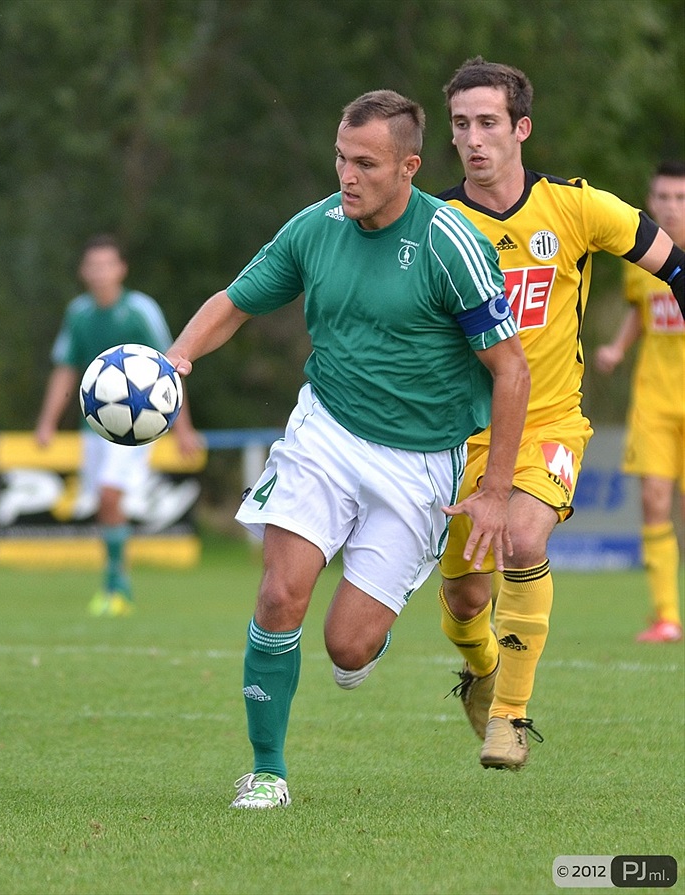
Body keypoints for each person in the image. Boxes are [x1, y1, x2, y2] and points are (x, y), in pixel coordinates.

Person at [166, 90, 530, 808]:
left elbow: (510, 369)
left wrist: (495, 492)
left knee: (347, 646)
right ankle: (266, 769)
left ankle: (371, 629)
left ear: (409, 167)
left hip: (421, 461)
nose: (347, 175)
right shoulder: (316, 228)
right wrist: (176, 359)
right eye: (340, 157)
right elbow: (235, 300)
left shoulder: (447, 242)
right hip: (324, 434)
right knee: (278, 594)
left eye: (366, 163)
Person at [435, 58, 685, 771]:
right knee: (462, 595)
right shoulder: (438, 224)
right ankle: (481, 667)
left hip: (549, 422)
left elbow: (676, 267)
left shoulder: (577, 208)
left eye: (488, 122)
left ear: (522, 129)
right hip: (463, 437)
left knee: (521, 537)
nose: (474, 139)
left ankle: (509, 719)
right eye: (460, 125)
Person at [35, 234, 201, 617]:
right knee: (103, 504)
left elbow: (169, 371)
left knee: (110, 495)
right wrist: (46, 423)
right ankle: (113, 581)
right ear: (83, 271)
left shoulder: (141, 310)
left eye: (107, 264)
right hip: (95, 425)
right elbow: (65, 368)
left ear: (121, 269)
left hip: (139, 427)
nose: (99, 273)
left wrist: (183, 428)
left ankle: (117, 585)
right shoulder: (78, 312)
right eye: (92, 266)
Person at [595, 161, 685, 644]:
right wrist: (616, 347)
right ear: (651, 202)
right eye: (663, 198)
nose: (670, 207)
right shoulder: (646, 259)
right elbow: (640, 310)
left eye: (680, 198)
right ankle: (667, 617)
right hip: (654, 399)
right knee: (653, 501)